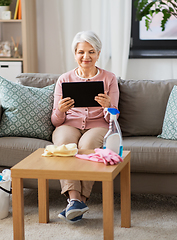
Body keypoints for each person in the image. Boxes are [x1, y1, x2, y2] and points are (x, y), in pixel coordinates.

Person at [51, 31, 120, 223]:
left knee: (89, 146)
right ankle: (75, 199)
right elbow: (56, 121)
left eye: (91, 52)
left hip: (98, 125)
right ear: (75, 54)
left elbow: (113, 118)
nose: (86, 57)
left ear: (98, 53)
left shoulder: (109, 78)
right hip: (69, 124)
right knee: (64, 146)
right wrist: (60, 110)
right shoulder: (64, 79)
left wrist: (108, 107)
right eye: (81, 52)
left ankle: (77, 203)